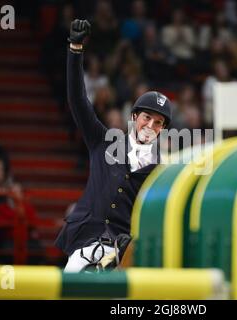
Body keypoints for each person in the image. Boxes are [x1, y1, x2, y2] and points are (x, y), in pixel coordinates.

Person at [55, 19, 172, 273]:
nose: (150, 125)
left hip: (123, 255)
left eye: (158, 122)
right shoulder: (104, 140)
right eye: (146, 118)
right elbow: (77, 100)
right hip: (84, 245)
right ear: (133, 118)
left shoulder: (160, 170)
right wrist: (75, 49)